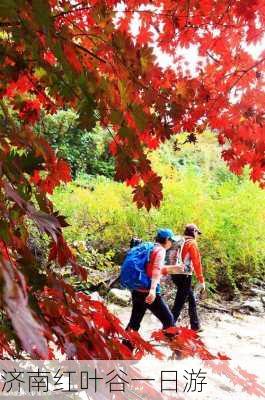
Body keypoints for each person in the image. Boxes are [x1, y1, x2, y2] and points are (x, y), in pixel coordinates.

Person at [125, 228, 176, 333]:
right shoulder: (161, 250)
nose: (172, 243)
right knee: (169, 320)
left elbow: (150, 268)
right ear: (167, 239)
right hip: (149, 293)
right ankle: (177, 348)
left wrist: (173, 268)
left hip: (137, 290)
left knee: (134, 322)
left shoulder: (149, 247)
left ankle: (125, 347)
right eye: (172, 240)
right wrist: (152, 290)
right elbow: (156, 269)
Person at [166, 224, 205, 332]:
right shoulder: (192, 243)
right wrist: (201, 280)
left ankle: (195, 325)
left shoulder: (179, 241)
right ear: (194, 232)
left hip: (174, 273)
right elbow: (197, 263)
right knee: (179, 303)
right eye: (197, 233)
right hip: (184, 275)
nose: (198, 235)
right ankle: (168, 326)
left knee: (191, 298)